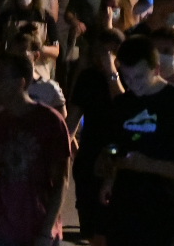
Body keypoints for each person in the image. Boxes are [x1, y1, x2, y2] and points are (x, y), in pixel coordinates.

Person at [96, 35, 174, 246]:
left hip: (165, 212)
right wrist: (110, 174)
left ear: (156, 69)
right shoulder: (123, 103)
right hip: (124, 210)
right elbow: (114, 145)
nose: (132, 85)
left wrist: (148, 165)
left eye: (138, 77)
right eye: (126, 78)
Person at [0, 52, 70, 246]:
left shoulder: (50, 121)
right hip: (3, 227)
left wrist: (46, 230)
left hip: (39, 226)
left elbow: (61, 180)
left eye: (0, 77)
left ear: (21, 82)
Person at [65, 29, 124, 246]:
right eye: (99, 51)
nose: (103, 57)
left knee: (110, 228)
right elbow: (72, 118)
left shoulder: (127, 77)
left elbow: (124, 107)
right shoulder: (87, 78)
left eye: (109, 52)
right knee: (91, 230)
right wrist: (65, 147)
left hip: (117, 159)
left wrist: (112, 72)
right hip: (90, 157)